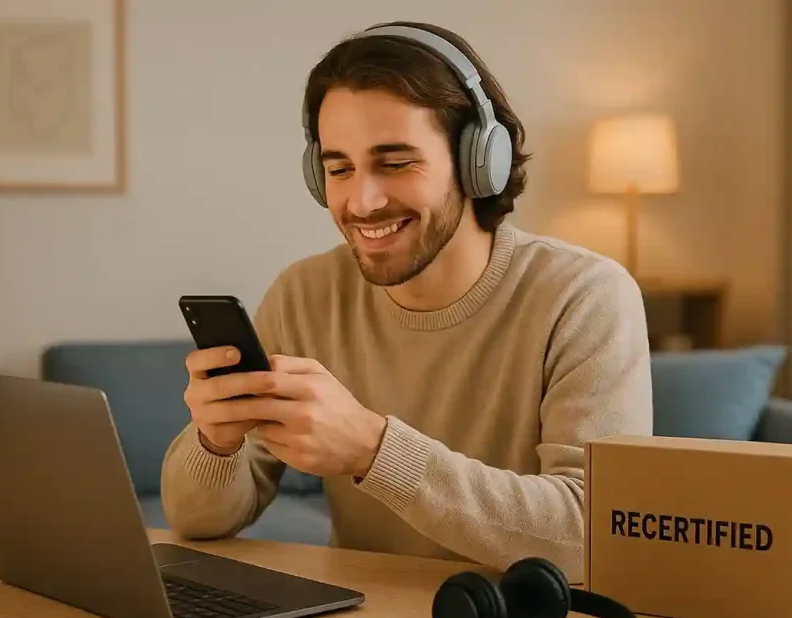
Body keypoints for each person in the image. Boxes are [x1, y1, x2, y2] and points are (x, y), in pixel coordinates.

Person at [160, 20, 652, 583]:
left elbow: (594, 532)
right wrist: (215, 442)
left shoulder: (585, 296)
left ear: (478, 162)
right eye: (339, 168)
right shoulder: (304, 294)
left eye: (396, 163)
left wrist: (375, 451)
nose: (362, 201)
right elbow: (198, 522)